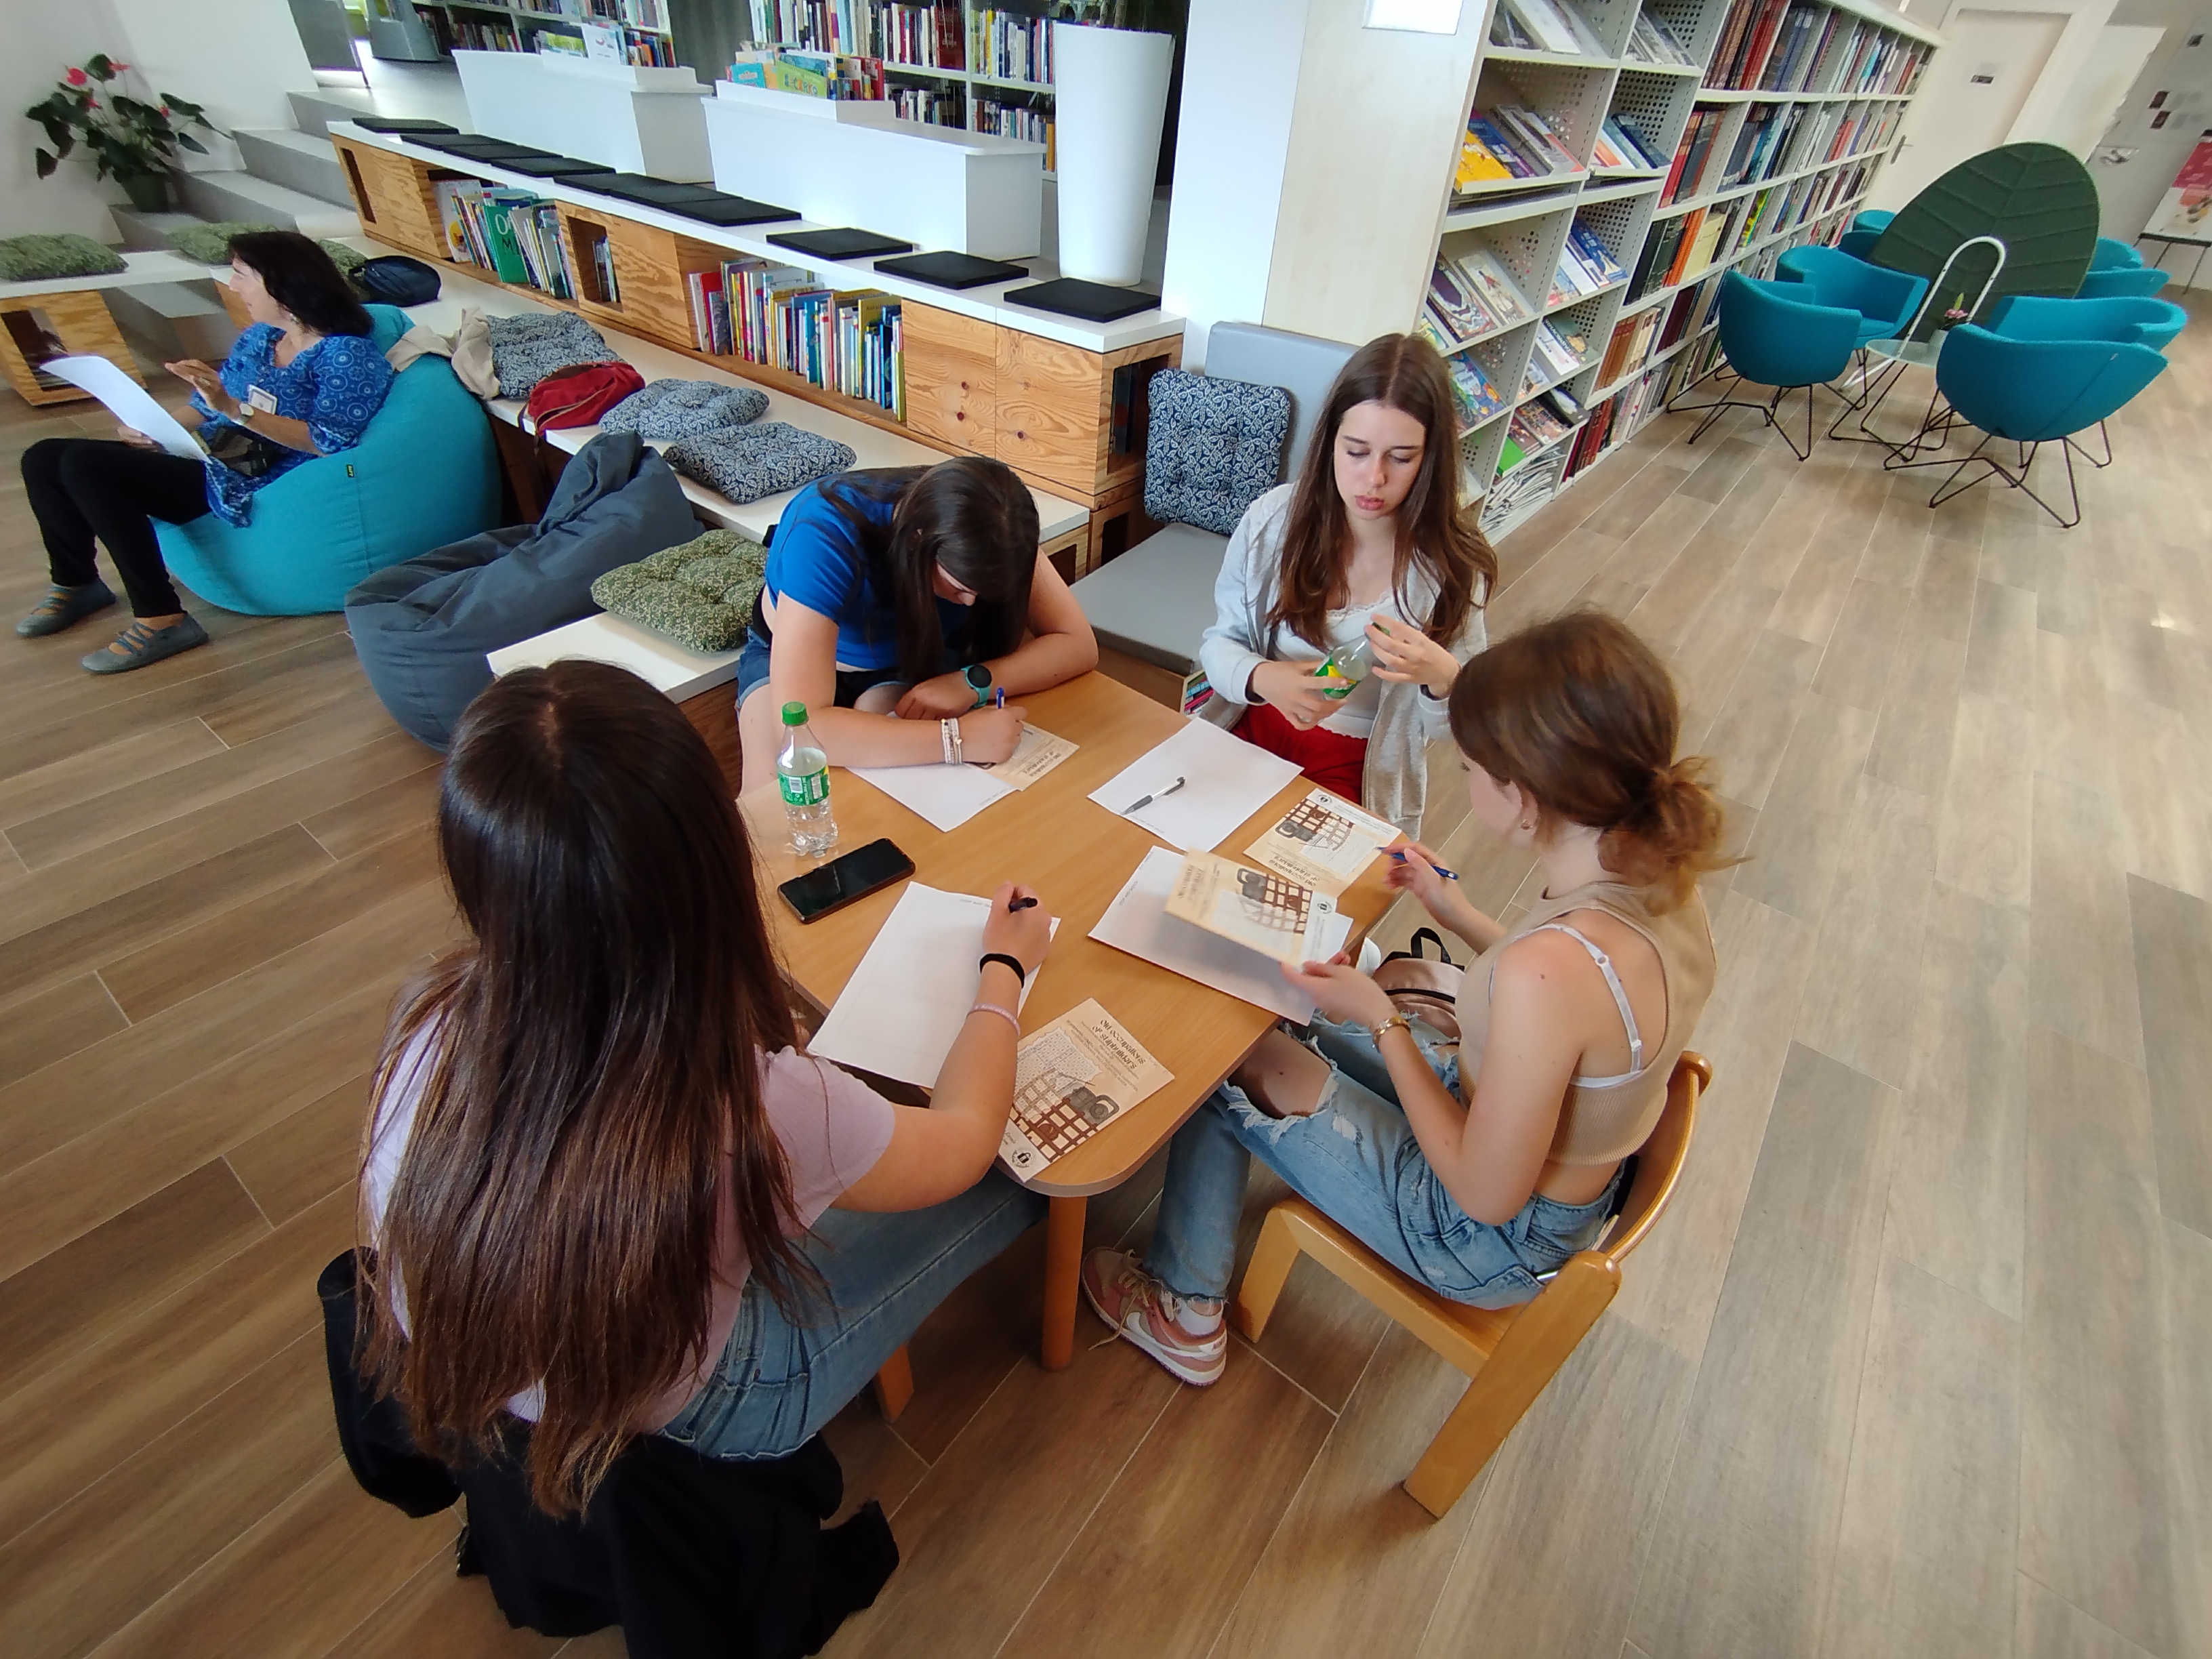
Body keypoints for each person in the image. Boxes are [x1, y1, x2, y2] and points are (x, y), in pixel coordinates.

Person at [358, 659, 1050, 1515]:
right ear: (714, 853)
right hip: (680, 1399)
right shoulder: (756, 1103)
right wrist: (1003, 971)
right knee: (1021, 1176)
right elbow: (967, 1138)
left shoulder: (428, 1018)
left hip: (485, 1351)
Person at [1084, 612, 1725, 1387]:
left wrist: (1382, 1018)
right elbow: (1570, 1011)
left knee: (1222, 1061)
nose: (1467, 777)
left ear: (1524, 798)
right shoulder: (1659, 878)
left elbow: (1484, 1193)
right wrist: (1456, 914)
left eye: (1473, 768)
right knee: (1288, 1005)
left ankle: (1183, 1313)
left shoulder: (1547, 974)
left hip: (1484, 1234)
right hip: (1539, 1159)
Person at [17, 230, 394, 673]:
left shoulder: (346, 355)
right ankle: (77, 582)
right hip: (209, 456)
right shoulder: (261, 339)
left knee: (87, 466)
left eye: (242, 275)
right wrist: (152, 426)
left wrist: (236, 409)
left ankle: (162, 617)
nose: (233, 286)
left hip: (256, 478)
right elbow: (204, 405)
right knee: (43, 456)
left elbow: (328, 441)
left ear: (283, 283)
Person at [1197, 332, 1495, 838]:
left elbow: (1458, 730)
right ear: (1330, 442)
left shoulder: (1452, 567)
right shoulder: (1272, 521)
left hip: (1358, 765)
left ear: (1431, 458)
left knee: (1306, 879)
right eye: (1356, 451)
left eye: (1401, 457)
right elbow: (1219, 644)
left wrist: (1444, 678)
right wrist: (1263, 677)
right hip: (1256, 724)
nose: (1373, 478)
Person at [733, 456, 1099, 793]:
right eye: (958, 588)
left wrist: (970, 683)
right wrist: (957, 739)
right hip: (784, 659)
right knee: (775, 794)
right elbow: (802, 729)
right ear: (917, 540)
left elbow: (1077, 643)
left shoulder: (999, 527)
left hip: (903, 660)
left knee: (899, 787)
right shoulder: (823, 533)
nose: (970, 603)